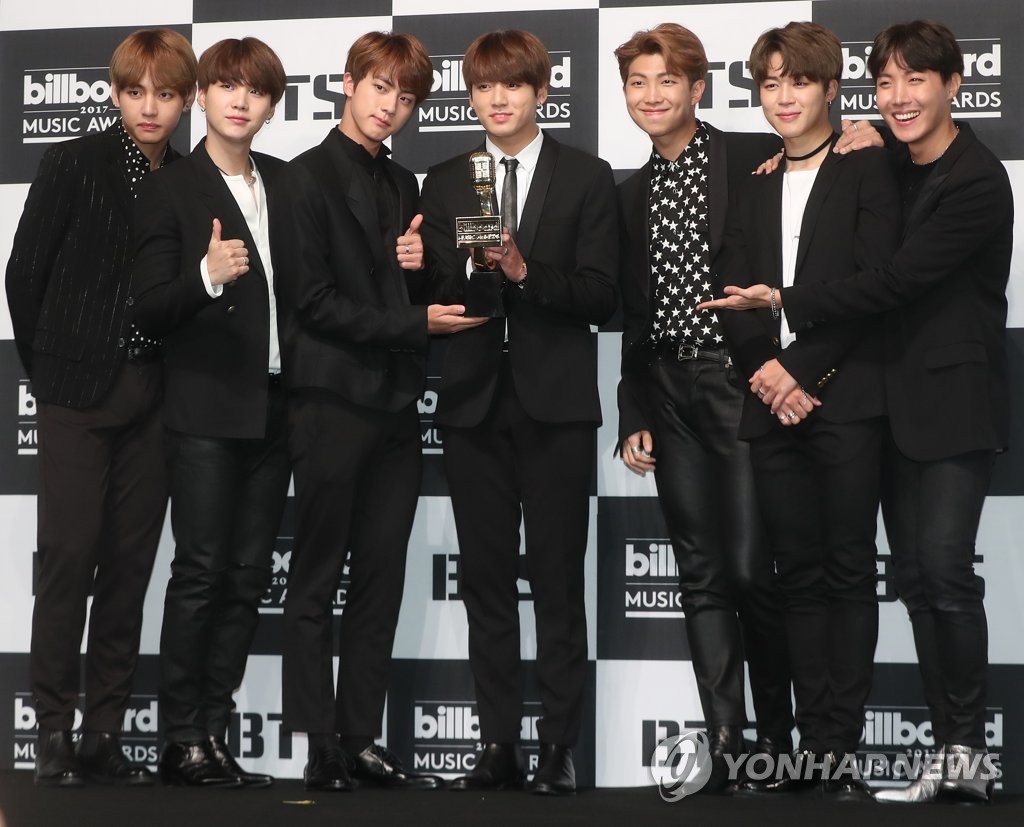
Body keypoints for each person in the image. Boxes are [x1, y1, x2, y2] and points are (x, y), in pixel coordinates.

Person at [700, 19, 1012, 804]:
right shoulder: (875, 157)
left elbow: (889, 282)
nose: (899, 97)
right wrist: (765, 371)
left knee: (937, 573)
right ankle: (872, 752)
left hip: (934, 403)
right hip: (882, 404)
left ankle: (958, 752)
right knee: (900, 575)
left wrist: (792, 338)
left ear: (954, 85)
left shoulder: (973, 179)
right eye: (888, 83)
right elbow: (732, 282)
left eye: (916, 80)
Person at [271, 31, 482, 793]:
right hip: (329, 402)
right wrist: (415, 321)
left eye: (407, 97)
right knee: (316, 579)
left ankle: (360, 737)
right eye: (381, 87)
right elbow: (313, 302)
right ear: (348, 83)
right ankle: (318, 743)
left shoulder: (403, 183)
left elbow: (408, 294)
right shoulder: (301, 177)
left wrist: (421, 277)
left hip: (394, 406)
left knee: (381, 578)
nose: (392, 106)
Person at [419, 29, 618, 795]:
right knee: (486, 583)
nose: (496, 99)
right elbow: (441, 295)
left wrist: (526, 271)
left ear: (542, 91)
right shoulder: (447, 179)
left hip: (556, 406)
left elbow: (602, 296)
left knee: (560, 582)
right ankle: (497, 743)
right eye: (482, 87)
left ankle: (559, 747)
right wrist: (445, 272)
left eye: (511, 85)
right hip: (472, 404)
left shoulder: (587, 176)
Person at [5, 29, 196, 787]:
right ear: (114, 95)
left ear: (186, 100)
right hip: (76, 396)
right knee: (68, 559)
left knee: (129, 566)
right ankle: (53, 729)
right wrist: (52, 373)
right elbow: (24, 274)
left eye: (166, 94)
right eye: (136, 92)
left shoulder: (190, 177)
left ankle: (104, 733)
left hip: (157, 398)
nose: (150, 108)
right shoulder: (73, 162)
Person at [714, 21, 901, 799]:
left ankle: (837, 750)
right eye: (770, 82)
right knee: (793, 576)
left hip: (848, 399)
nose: (783, 96)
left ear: (831, 88)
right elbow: (731, 292)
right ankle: (807, 750)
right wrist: (766, 372)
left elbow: (874, 287)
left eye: (798, 80)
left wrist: (799, 369)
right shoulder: (755, 179)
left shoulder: (868, 165)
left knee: (848, 572)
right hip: (771, 406)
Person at [611, 23, 795, 792]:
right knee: (700, 572)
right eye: (637, 82)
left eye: (666, 80)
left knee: (751, 569)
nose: (651, 95)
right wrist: (633, 409)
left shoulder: (753, 153)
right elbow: (634, 316)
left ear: (697, 87)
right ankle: (725, 741)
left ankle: (778, 740)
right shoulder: (627, 193)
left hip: (741, 382)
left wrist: (861, 137)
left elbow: (828, 163)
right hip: (668, 391)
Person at [131, 37, 289, 788]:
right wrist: (206, 274)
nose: (239, 100)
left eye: (254, 90)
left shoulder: (285, 183)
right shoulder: (170, 189)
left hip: (276, 407)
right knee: (199, 572)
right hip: (203, 407)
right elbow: (149, 308)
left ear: (271, 105)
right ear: (202, 96)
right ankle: (180, 737)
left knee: (249, 574)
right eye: (226, 85)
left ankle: (215, 733)